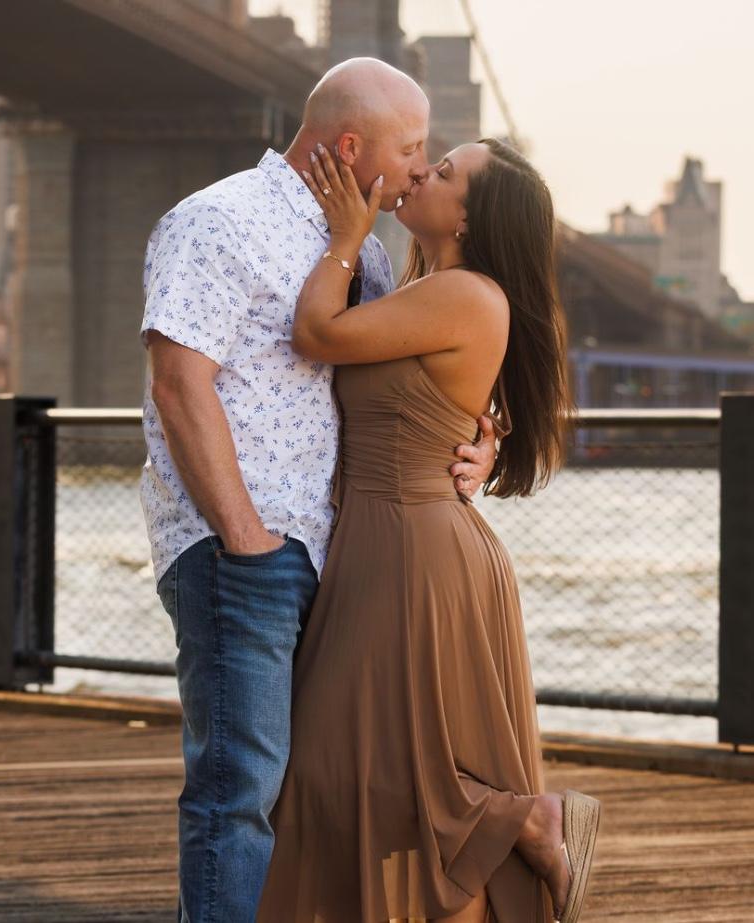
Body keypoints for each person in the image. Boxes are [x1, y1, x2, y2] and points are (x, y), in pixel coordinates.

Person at [139, 59, 499, 922]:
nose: (420, 166)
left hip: (341, 559)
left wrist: (481, 438)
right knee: (238, 791)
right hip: (245, 553)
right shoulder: (218, 220)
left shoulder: (363, 249)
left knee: (325, 786)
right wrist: (243, 537)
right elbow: (179, 383)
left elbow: (409, 378)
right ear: (348, 147)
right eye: (411, 148)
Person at [254, 142, 601, 923]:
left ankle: (528, 820)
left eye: (443, 172)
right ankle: (519, 821)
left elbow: (316, 333)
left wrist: (345, 237)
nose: (419, 173)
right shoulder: (423, 287)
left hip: (413, 551)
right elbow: (438, 399)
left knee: (343, 766)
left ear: (470, 219)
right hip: (384, 543)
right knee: (346, 762)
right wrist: (486, 437)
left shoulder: (465, 293)